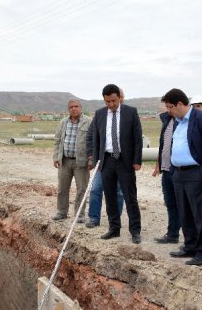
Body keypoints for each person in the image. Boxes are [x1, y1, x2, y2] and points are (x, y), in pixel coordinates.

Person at [163, 89, 202, 266]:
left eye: (170, 107)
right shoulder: (178, 122)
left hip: (196, 173)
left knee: (200, 214)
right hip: (179, 174)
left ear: (180, 104)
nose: (168, 111)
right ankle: (190, 246)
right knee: (185, 213)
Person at [88, 84, 143, 244]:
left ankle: (135, 231)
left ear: (119, 97)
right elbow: (95, 138)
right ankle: (114, 228)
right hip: (107, 161)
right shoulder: (99, 114)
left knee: (130, 197)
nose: (111, 105)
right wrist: (95, 159)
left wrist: (137, 160)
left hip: (125, 161)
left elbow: (137, 138)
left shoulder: (131, 112)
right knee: (110, 196)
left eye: (113, 101)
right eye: (107, 102)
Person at [86, 89, 125, 228]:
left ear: (121, 98)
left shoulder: (128, 114)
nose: (113, 103)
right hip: (103, 160)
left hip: (121, 161)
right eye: (109, 100)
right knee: (96, 188)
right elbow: (90, 136)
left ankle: (115, 221)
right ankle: (93, 218)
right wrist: (91, 156)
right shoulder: (100, 115)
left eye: (118, 98)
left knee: (118, 191)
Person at [52, 99, 91, 222]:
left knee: (81, 189)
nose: (74, 109)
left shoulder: (89, 122)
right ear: (68, 109)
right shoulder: (63, 122)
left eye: (76, 106)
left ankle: (79, 214)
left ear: (81, 108)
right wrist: (56, 157)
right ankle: (61, 212)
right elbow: (57, 140)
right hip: (65, 161)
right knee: (62, 188)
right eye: (71, 107)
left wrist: (92, 159)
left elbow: (93, 141)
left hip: (81, 162)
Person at [152, 108, 180, 244]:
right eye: (166, 106)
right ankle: (172, 234)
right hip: (166, 169)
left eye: (170, 106)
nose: (167, 109)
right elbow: (163, 145)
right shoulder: (167, 121)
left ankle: (192, 238)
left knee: (183, 204)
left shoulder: (184, 122)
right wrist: (158, 164)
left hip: (179, 170)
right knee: (170, 203)